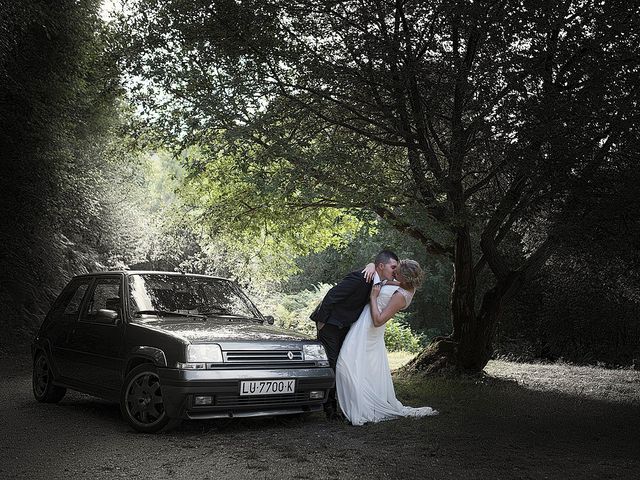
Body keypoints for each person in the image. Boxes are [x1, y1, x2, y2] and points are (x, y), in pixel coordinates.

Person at [336, 259, 438, 426]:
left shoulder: (401, 296)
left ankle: (362, 407)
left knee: (344, 365)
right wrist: (370, 265)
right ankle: (360, 402)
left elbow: (378, 320)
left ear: (404, 278)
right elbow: (383, 276)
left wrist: (373, 297)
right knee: (361, 369)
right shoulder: (404, 284)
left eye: (396, 272)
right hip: (363, 325)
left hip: (369, 330)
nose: (393, 274)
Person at [310, 250, 399, 419]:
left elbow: (404, 283)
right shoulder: (360, 278)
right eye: (393, 267)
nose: (395, 271)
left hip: (346, 325)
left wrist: (371, 264)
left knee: (344, 363)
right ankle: (330, 408)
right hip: (330, 323)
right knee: (333, 363)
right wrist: (322, 321)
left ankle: (345, 402)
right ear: (381, 266)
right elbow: (332, 295)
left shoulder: (380, 279)